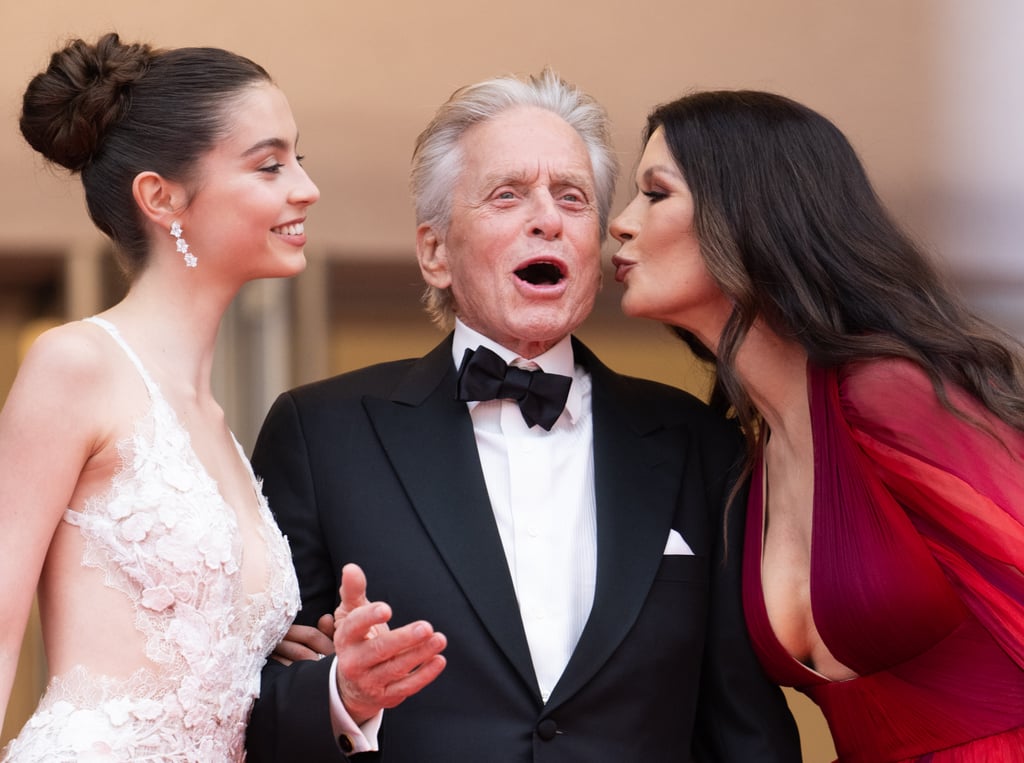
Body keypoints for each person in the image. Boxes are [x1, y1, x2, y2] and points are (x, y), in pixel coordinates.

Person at [245, 69, 801, 762]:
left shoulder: (698, 441)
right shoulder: (320, 432)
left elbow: (742, 722)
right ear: (435, 251)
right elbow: (247, 706)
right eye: (508, 195)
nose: (548, 217)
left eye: (572, 197)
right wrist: (338, 692)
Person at [609, 89, 1024, 762]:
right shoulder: (752, 461)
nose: (620, 223)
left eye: (655, 194)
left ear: (748, 212)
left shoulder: (892, 393)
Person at [0, 32, 320, 760]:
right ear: (160, 196)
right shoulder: (74, 364)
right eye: (271, 164)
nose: (305, 187)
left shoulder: (217, 426)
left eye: (302, 160)